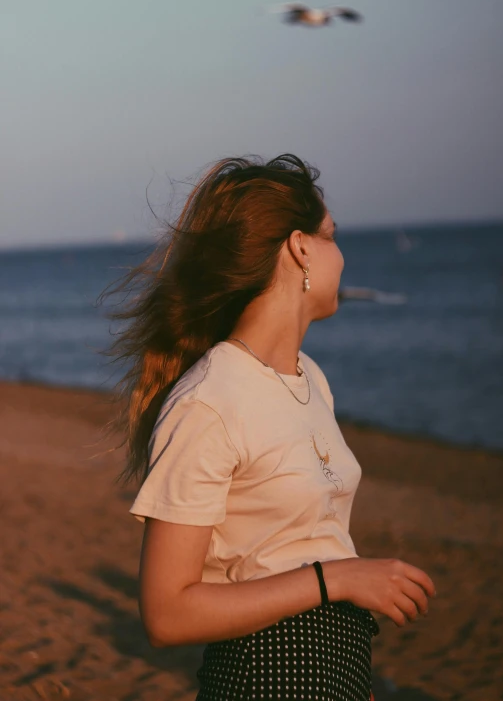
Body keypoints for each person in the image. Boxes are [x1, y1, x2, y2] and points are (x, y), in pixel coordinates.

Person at [106, 154, 436, 701]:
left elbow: (310, 537)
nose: (343, 256)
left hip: (339, 672)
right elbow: (166, 614)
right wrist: (340, 579)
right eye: (332, 235)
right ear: (300, 246)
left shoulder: (311, 379)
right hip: (265, 678)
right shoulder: (209, 400)